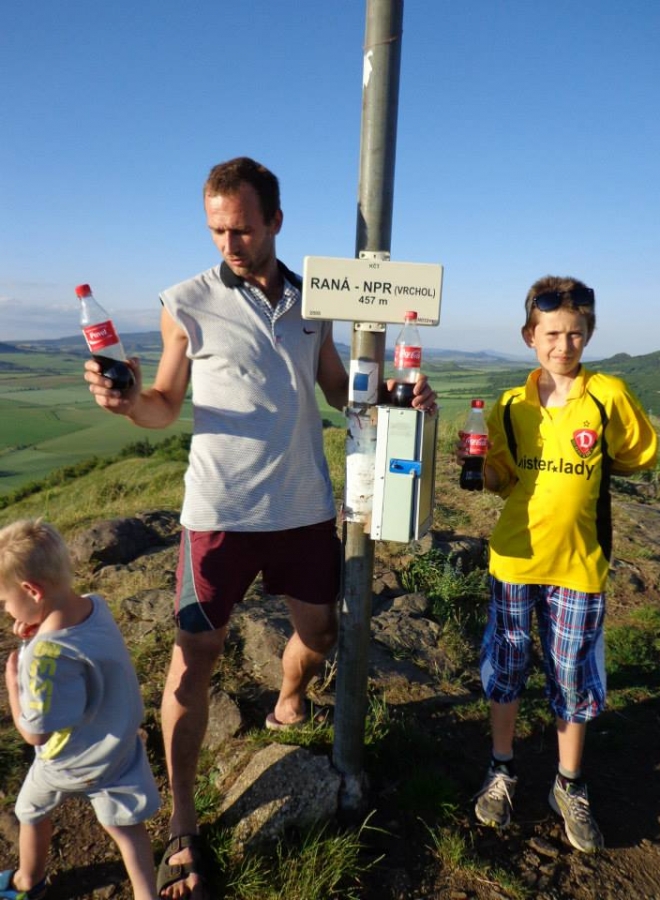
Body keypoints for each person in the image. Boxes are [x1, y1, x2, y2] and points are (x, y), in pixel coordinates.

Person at [84, 156, 437, 899]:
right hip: (218, 514)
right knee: (195, 658)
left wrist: (397, 396)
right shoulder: (185, 301)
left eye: (241, 229)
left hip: (304, 506)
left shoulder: (315, 300)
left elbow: (338, 389)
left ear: (275, 220)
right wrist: (128, 404)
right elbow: (163, 404)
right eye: (217, 230)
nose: (229, 244)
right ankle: (183, 823)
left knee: (320, 633)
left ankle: (286, 698)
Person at [467, 275, 658, 853]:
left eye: (574, 334)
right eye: (551, 334)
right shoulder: (510, 406)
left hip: (579, 563)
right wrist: (478, 467)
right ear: (530, 336)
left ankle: (568, 784)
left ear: (588, 335)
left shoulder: (607, 395)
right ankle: (502, 768)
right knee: (508, 663)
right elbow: (502, 478)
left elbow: (637, 454)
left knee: (571, 672)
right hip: (515, 559)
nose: (563, 345)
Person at [0, 519, 161, 900]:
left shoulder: (43, 656)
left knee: (29, 812)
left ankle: (28, 882)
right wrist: (37, 633)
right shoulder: (94, 606)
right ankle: (147, 894)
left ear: (31, 590)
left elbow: (35, 732)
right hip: (119, 746)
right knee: (126, 829)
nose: (6, 610)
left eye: (4, 601)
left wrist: (13, 684)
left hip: (69, 762)